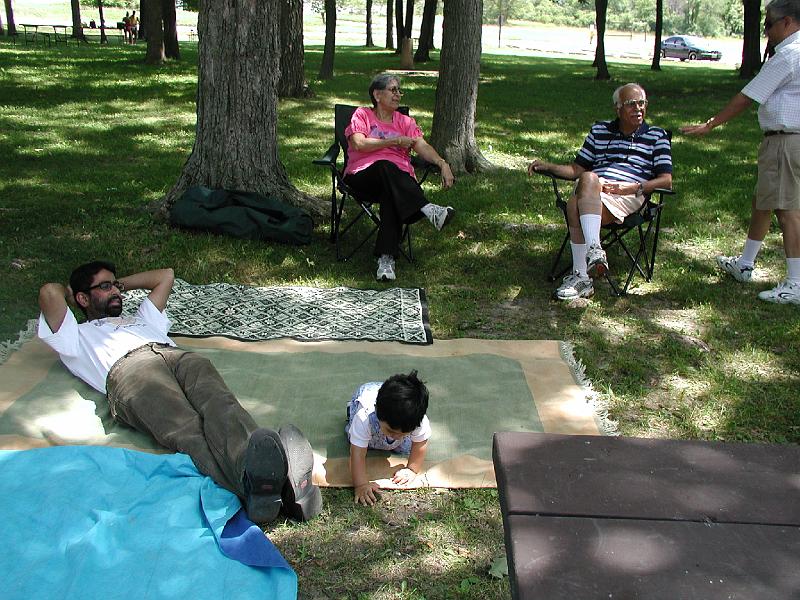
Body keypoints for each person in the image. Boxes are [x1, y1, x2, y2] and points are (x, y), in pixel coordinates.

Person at [37, 261, 323, 524]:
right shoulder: (74, 336)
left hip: (175, 357)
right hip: (130, 372)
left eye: (116, 286)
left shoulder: (140, 318)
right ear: (82, 299)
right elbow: (49, 292)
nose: (115, 292)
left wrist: (117, 284)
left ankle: (263, 481)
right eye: (104, 287)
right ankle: (268, 486)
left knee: (220, 405)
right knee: (189, 429)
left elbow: (165, 276)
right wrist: (70, 290)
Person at [681, 0, 800, 305]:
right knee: (763, 200)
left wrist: (711, 124)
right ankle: (745, 263)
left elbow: (749, 95)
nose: (766, 31)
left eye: (768, 25)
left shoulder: (788, 55)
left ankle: (796, 283)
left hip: (786, 140)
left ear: (787, 22)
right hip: (784, 140)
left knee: (788, 210)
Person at [527, 83, 673, 300]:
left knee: (574, 204)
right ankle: (594, 251)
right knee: (588, 178)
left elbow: (666, 180)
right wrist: (548, 166)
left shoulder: (656, 136)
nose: (638, 108)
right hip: (594, 191)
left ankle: (581, 275)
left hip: (628, 195)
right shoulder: (599, 131)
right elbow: (577, 169)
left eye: (642, 103)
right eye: (631, 104)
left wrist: (634, 187)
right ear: (617, 108)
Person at [343, 72, 456, 281]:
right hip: (363, 177)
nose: (398, 95)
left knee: (391, 191)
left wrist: (442, 163)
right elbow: (358, 143)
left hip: (396, 185)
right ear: (377, 95)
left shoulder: (405, 121)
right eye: (393, 90)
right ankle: (426, 208)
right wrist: (394, 141)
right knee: (385, 166)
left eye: (399, 91)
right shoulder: (362, 115)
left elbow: (422, 146)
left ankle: (386, 260)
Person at [345, 371, 431, 506]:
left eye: (404, 433)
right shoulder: (364, 418)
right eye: (390, 430)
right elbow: (357, 454)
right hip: (365, 394)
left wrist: (412, 469)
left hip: (387, 404)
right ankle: (350, 407)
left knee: (406, 447)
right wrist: (361, 485)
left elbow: (420, 443)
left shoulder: (418, 421)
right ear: (378, 412)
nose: (396, 436)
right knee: (355, 437)